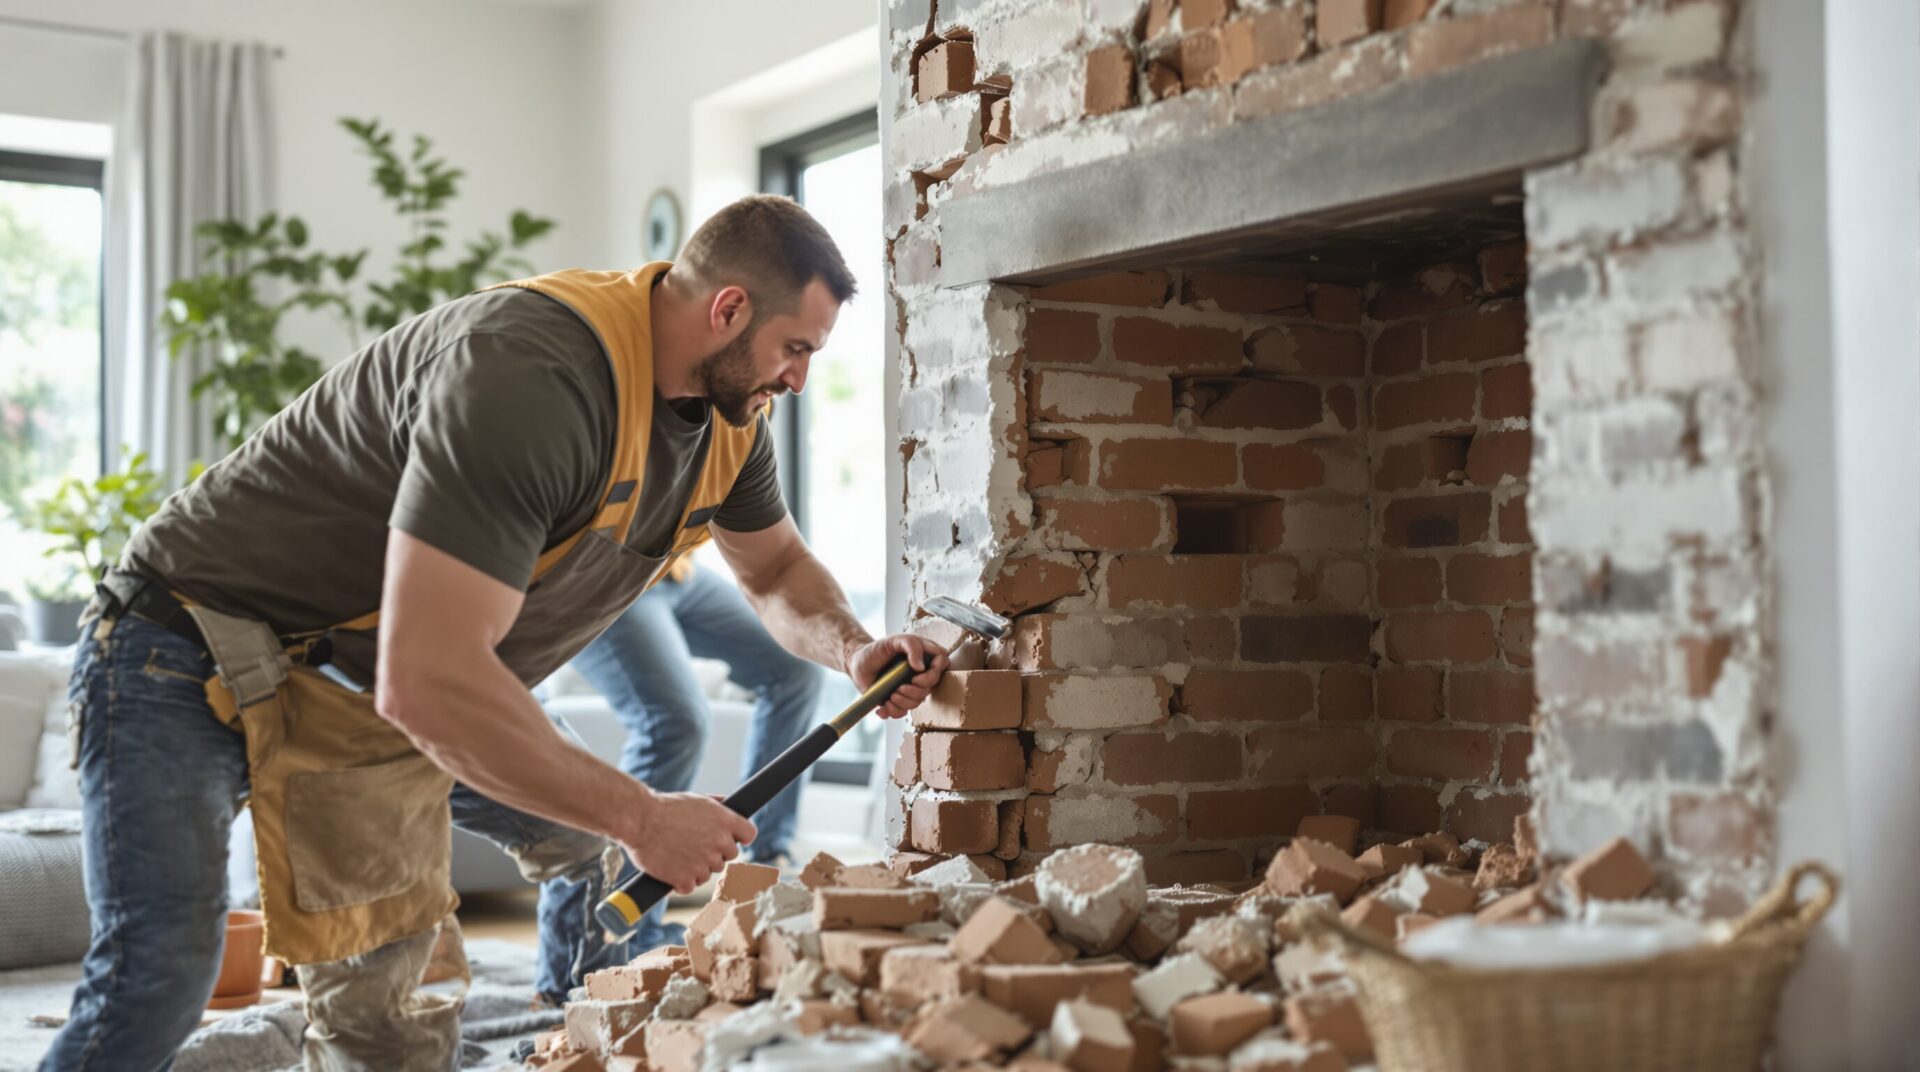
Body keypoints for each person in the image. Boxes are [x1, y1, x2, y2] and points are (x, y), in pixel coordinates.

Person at [40, 195, 948, 1070]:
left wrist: (852, 648)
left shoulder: (730, 425)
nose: (798, 379)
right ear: (729, 309)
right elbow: (428, 681)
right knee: (159, 973)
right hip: (184, 646)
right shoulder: (530, 374)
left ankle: (578, 1033)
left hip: (360, 690)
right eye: (795, 350)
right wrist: (645, 818)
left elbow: (778, 572)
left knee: (480, 939)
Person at [565, 557, 821, 948]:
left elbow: (778, 556)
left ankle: (764, 865)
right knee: (675, 721)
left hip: (674, 568)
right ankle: (626, 937)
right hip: (603, 576)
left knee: (796, 669)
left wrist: (851, 648)